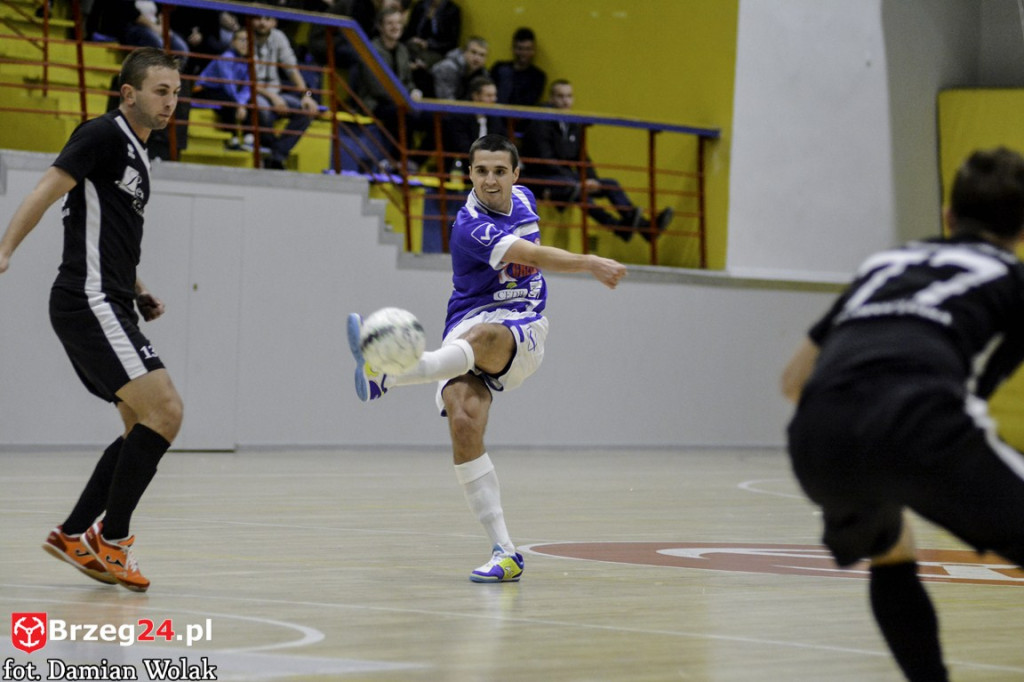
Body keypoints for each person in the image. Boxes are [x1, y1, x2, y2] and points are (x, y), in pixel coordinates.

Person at [781, 147, 1024, 682]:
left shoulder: (883, 264)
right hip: (921, 421)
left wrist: (864, 439)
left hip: (818, 437)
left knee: (891, 550)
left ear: (948, 215)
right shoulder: (1012, 275)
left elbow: (792, 380)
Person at [347, 134, 627, 582]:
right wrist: (590, 261)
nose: (491, 181)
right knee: (463, 421)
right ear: (469, 175)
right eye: (481, 172)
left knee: (485, 337)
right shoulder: (469, 226)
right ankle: (505, 551)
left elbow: (531, 258)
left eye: (500, 171)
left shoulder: (524, 198)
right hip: (465, 322)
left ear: (516, 175)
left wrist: (586, 262)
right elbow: (532, 255)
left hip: (523, 324)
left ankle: (390, 375)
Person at [0, 48, 185, 593]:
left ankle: (75, 533)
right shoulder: (102, 134)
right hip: (88, 298)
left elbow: (110, 236)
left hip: (112, 297)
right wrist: (5, 249)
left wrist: (140, 290)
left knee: (139, 426)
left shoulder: (139, 156)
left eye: (175, 92)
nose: (170, 102)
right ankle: (112, 541)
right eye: (159, 90)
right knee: (168, 410)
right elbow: (47, 187)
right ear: (128, 93)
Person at [520, 79, 673, 242]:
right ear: (551, 98)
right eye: (560, 96)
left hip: (566, 179)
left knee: (609, 184)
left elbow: (582, 156)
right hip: (542, 179)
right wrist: (580, 180)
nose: (565, 101)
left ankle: (637, 227)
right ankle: (638, 228)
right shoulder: (540, 121)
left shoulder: (572, 123)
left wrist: (591, 178)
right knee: (578, 191)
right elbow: (544, 160)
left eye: (569, 96)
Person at [355, 5, 428, 168]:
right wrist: (405, 100)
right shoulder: (371, 50)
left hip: (401, 101)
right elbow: (377, 88)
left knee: (436, 120)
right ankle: (397, 161)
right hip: (375, 102)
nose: (395, 27)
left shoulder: (403, 49)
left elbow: (408, 80)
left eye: (398, 23)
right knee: (403, 114)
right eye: (390, 23)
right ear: (380, 27)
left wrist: (414, 91)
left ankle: (414, 162)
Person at [251, 14, 320, 169]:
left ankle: (276, 155)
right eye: (258, 18)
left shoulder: (278, 37)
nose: (262, 22)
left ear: (274, 22)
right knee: (263, 110)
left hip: (275, 92)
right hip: (251, 92)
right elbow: (244, 79)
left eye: (267, 18)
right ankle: (271, 155)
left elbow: (292, 69)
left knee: (305, 111)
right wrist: (273, 97)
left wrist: (306, 95)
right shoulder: (244, 36)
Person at [441, 75, 504, 174]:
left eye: (494, 95)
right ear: (475, 96)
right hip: (463, 168)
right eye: (489, 96)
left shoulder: (495, 118)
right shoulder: (458, 117)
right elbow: (464, 148)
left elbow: (502, 143)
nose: (494, 99)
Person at [490, 27, 546, 107]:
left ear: (533, 51)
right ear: (513, 49)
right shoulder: (499, 68)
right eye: (520, 48)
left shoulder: (538, 76)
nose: (523, 53)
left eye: (528, 49)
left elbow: (529, 102)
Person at [430, 36, 489, 101]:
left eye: (482, 55)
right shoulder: (447, 68)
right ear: (464, 52)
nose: (477, 58)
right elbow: (446, 102)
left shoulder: (482, 73)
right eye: (473, 52)